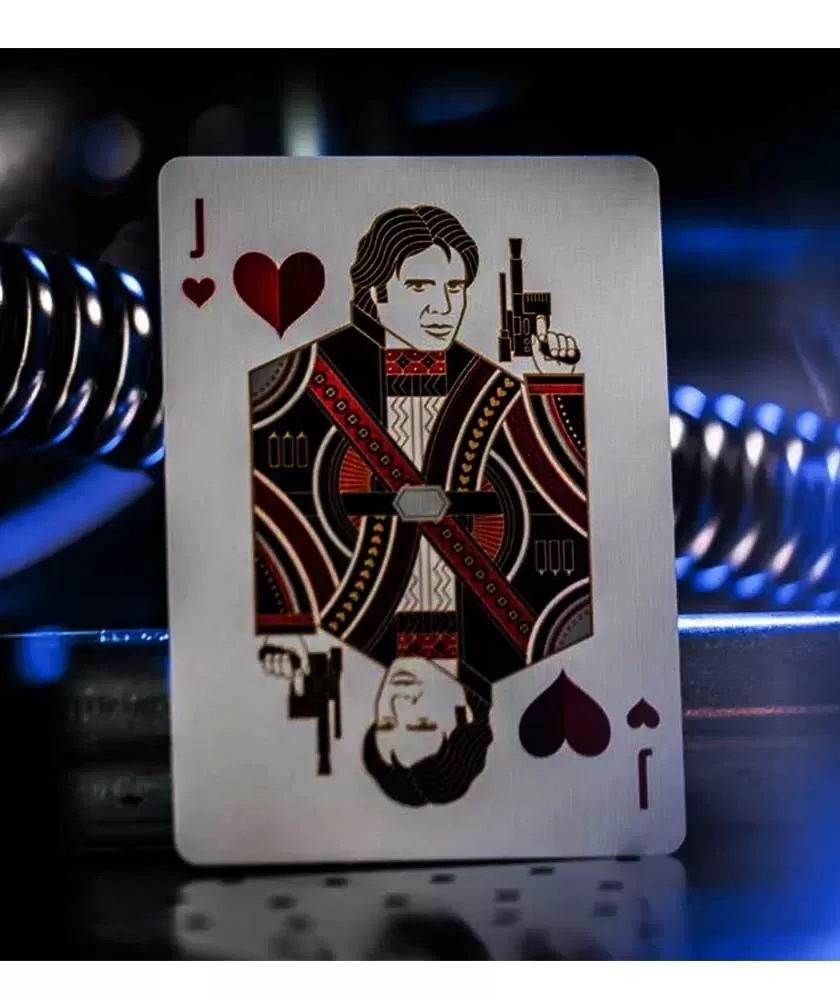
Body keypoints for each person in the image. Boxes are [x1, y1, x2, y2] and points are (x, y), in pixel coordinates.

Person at [252, 205, 591, 806]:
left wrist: (283, 635)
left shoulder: (334, 631)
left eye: (455, 289)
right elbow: (564, 496)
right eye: (420, 287)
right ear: (375, 296)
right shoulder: (536, 636)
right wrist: (555, 387)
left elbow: (276, 527)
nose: (443, 307)